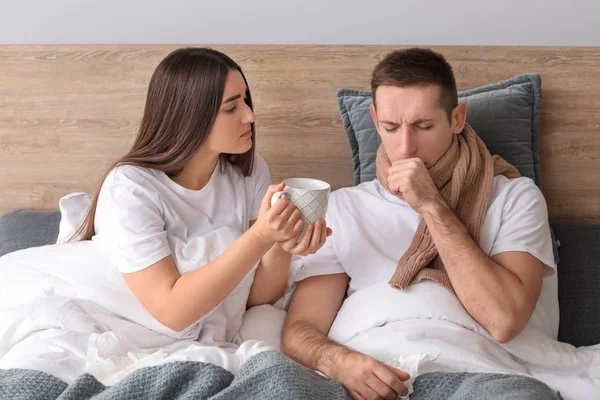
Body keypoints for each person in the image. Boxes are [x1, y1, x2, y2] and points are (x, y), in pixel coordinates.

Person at [282, 48, 563, 400]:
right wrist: (340, 363)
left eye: (423, 126)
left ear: (457, 119)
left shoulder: (515, 198)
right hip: (365, 370)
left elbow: (503, 320)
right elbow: (301, 329)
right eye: (390, 127)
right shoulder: (343, 207)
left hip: (478, 371)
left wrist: (433, 206)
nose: (405, 147)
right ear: (374, 119)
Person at [74, 47, 331, 353]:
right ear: (189, 115)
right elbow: (172, 312)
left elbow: (256, 296)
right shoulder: (130, 187)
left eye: (245, 100)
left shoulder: (248, 170)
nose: (250, 115)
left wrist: (282, 244)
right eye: (231, 107)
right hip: (136, 327)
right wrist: (261, 236)